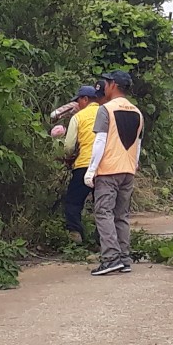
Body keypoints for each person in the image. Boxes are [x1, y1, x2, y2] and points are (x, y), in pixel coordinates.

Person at [84, 70, 144, 276]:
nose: (105, 86)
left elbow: (100, 141)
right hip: (128, 170)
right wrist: (133, 165)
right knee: (121, 215)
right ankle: (124, 258)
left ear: (114, 85)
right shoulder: (137, 112)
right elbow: (138, 143)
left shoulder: (106, 110)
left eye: (107, 82)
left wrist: (91, 170)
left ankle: (110, 258)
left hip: (108, 170)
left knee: (103, 212)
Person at [61, 85, 100, 244]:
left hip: (84, 166)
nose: (77, 105)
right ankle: (102, 240)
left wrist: (69, 158)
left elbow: (69, 146)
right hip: (104, 167)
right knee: (103, 205)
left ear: (85, 99)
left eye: (78, 101)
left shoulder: (78, 117)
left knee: (73, 201)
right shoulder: (108, 113)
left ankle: (75, 234)